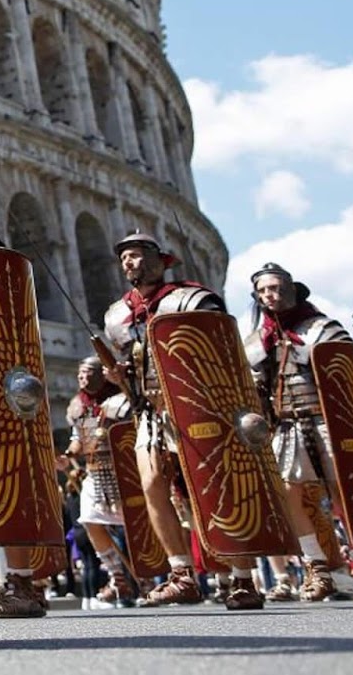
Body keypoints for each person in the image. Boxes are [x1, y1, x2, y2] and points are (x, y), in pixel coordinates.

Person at [95, 233, 263, 609]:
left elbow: (220, 347)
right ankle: (181, 573)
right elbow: (130, 362)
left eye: (136, 256)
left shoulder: (192, 299)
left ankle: (241, 577)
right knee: (153, 483)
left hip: (197, 405)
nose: (129, 263)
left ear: (161, 260)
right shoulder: (116, 315)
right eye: (123, 258)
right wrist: (119, 375)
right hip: (150, 409)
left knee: (211, 486)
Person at [242, 264, 353, 604]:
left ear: (292, 289)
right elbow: (257, 385)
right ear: (258, 297)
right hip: (287, 423)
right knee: (287, 493)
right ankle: (318, 566)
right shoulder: (258, 341)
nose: (272, 294)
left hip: (327, 420)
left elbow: (345, 372)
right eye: (265, 290)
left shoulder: (322, 328)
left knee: (345, 494)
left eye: (278, 287)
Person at [59, 356, 137, 606]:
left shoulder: (120, 397)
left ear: (100, 374)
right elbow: (81, 440)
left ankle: (155, 576)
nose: (82, 378)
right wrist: (68, 455)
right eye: (79, 373)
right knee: (91, 521)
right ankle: (117, 577)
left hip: (126, 469)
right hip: (96, 469)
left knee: (137, 525)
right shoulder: (80, 406)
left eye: (87, 373)